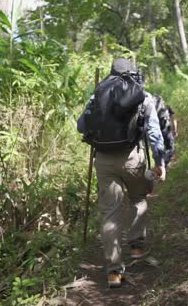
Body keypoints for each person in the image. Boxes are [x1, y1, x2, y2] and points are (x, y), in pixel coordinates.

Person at [77, 58, 166, 288]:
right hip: (132, 157)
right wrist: (160, 162)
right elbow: (154, 133)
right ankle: (136, 246)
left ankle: (114, 272)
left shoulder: (98, 94)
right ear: (133, 73)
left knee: (110, 212)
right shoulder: (142, 95)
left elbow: (81, 126)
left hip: (103, 160)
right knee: (138, 198)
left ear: (111, 72)